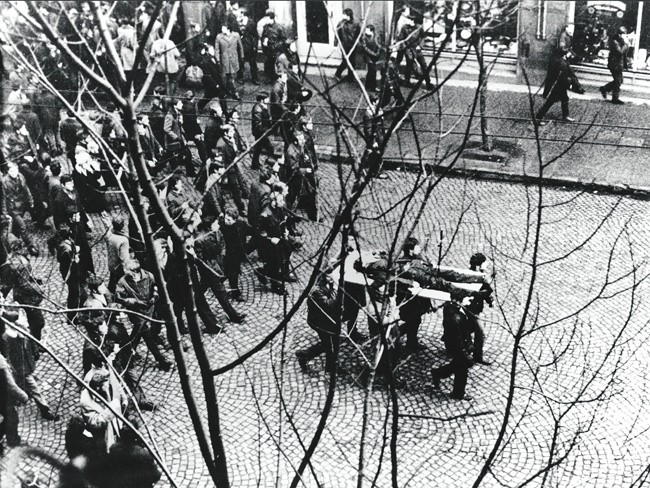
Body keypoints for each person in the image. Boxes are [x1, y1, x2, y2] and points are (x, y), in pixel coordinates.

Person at [0, 305, 59, 421]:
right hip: (18, 369)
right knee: (34, 388)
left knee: (29, 385)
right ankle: (45, 409)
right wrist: (12, 370)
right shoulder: (6, 338)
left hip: (27, 365)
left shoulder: (23, 329)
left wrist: (35, 351)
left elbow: (31, 340)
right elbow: (7, 357)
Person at [115, 259, 172, 372]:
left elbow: (156, 286)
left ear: (135, 271)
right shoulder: (123, 282)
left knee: (137, 334)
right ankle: (161, 361)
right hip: (136, 312)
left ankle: (127, 352)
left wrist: (154, 297)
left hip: (149, 308)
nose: (125, 271)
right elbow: (120, 297)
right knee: (146, 334)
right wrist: (133, 302)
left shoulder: (148, 275)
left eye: (127, 270)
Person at [193, 218, 246, 323]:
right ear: (210, 226)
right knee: (221, 293)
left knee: (200, 290)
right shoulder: (200, 240)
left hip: (217, 266)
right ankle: (234, 316)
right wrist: (214, 271)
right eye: (215, 223)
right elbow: (201, 260)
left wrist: (221, 262)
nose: (218, 224)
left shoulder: (217, 232)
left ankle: (191, 301)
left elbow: (222, 246)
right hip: (210, 271)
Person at [431, 289, 475, 401]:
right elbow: (458, 341)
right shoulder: (454, 318)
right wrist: (466, 355)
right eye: (466, 298)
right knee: (462, 369)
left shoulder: (455, 310)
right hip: (458, 347)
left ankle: (437, 373)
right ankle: (458, 393)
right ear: (458, 301)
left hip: (459, 346)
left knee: (455, 365)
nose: (469, 299)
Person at [0, 239, 46, 341]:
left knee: (33, 321)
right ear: (20, 249)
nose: (26, 249)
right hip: (27, 298)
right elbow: (23, 284)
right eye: (24, 247)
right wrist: (38, 289)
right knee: (38, 322)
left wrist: (34, 279)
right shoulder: (21, 264)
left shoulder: (13, 260)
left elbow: (19, 279)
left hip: (21, 296)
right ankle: (34, 343)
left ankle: (34, 341)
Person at [295, 270, 339, 373]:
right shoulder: (317, 290)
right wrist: (335, 289)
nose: (332, 278)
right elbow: (328, 304)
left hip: (325, 319)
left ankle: (304, 355)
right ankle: (331, 368)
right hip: (319, 322)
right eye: (330, 276)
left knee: (328, 344)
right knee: (330, 344)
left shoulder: (328, 283)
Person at [80, 367, 128, 452]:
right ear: (98, 388)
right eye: (104, 386)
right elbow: (94, 423)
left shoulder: (104, 387)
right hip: (102, 433)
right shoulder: (85, 401)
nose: (107, 387)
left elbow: (116, 385)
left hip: (113, 423)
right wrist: (111, 411)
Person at [536, 49, 581, 125]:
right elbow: (563, 74)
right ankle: (538, 118)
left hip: (559, 85)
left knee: (565, 99)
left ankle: (565, 116)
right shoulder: (560, 61)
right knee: (549, 102)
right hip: (557, 86)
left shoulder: (557, 59)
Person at [3, 160, 38, 256]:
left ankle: (14, 245)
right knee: (22, 226)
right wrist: (5, 212)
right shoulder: (4, 182)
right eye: (12, 171)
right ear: (8, 172)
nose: (15, 173)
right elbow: (3, 199)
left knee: (16, 228)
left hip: (21, 206)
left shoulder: (21, 176)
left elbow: (26, 189)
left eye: (16, 170)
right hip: (13, 209)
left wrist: (30, 200)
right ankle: (30, 246)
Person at [395, 14, 434, 90]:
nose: (406, 21)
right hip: (409, 49)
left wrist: (420, 45)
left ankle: (428, 82)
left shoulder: (418, 28)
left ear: (412, 21)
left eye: (408, 20)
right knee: (409, 65)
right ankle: (407, 82)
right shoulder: (404, 28)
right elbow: (401, 39)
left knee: (423, 65)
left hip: (417, 49)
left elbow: (423, 36)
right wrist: (405, 48)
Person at [220, 207, 251, 302]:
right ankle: (234, 293)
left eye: (229, 220)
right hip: (225, 254)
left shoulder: (241, 225)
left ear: (235, 220)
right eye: (226, 218)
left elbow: (251, 231)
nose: (226, 221)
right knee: (225, 273)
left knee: (232, 273)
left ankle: (235, 292)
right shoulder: (221, 226)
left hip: (236, 254)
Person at [0, 350, 28, 452]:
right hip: (2, 397)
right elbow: (10, 385)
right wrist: (23, 396)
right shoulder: (1, 365)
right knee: (12, 418)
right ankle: (13, 440)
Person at [600, 26, 628, 105]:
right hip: (614, 64)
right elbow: (620, 52)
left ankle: (605, 89)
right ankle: (615, 98)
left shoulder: (620, 41)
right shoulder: (615, 41)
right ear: (620, 34)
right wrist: (626, 44)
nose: (625, 36)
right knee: (618, 81)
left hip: (618, 64)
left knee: (619, 80)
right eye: (624, 34)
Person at [215, 23, 244, 100]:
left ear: (228, 29)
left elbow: (240, 46)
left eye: (223, 28)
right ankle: (234, 92)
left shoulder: (236, 35)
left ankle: (228, 90)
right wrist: (217, 59)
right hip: (224, 59)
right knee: (227, 76)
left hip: (234, 58)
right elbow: (217, 49)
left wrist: (242, 56)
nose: (222, 29)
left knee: (232, 75)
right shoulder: (219, 37)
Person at [103, 215, 131, 294]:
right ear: (123, 225)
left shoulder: (109, 236)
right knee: (119, 286)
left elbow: (109, 230)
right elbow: (124, 258)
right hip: (120, 267)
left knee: (112, 283)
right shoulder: (123, 240)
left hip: (112, 264)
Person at [181, 90, 207, 166]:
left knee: (183, 145)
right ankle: (204, 160)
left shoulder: (184, 105)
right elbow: (193, 122)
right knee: (200, 144)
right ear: (193, 98)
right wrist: (199, 132)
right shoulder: (191, 107)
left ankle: (182, 160)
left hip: (185, 129)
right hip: (192, 131)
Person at [334, 8, 361, 82]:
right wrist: (335, 45)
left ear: (348, 15)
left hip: (353, 45)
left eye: (344, 14)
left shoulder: (356, 23)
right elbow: (336, 35)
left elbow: (359, 34)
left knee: (352, 61)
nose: (342, 16)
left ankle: (350, 77)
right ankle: (337, 74)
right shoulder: (341, 24)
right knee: (345, 61)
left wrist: (358, 42)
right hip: (344, 46)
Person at [260, 9, 286, 83]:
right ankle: (270, 77)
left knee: (279, 65)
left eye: (266, 18)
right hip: (268, 50)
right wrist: (264, 40)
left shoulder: (279, 28)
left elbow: (283, 40)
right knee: (268, 64)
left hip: (277, 51)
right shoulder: (265, 27)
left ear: (271, 18)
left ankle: (280, 80)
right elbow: (263, 36)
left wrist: (276, 45)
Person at [251, 91, 274, 169]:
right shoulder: (258, 109)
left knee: (258, 148)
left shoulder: (263, 106)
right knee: (270, 148)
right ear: (261, 100)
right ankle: (268, 164)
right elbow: (258, 125)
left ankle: (254, 164)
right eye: (267, 98)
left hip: (261, 132)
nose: (268, 100)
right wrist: (267, 130)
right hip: (260, 133)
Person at [238, 8, 259, 85]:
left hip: (249, 45)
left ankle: (255, 78)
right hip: (240, 45)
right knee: (240, 62)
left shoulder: (251, 23)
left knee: (252, 62)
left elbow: (255, 36)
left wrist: (255, 46)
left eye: (239, 13)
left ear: (243, 13)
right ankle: (240, 78)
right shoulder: (237, 22)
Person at [361, 25, 383, 92]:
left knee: (371, 70)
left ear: (372, 31)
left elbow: (379, 45)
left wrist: (377, 53)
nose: (365, 31)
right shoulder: (364, 38)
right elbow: (365, 48)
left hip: (375, 56)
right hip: (367, 56)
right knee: (373, 70)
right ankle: (373, 87)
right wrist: (374, 54)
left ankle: (367, 85)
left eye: (367, 30)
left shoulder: (377, 37)